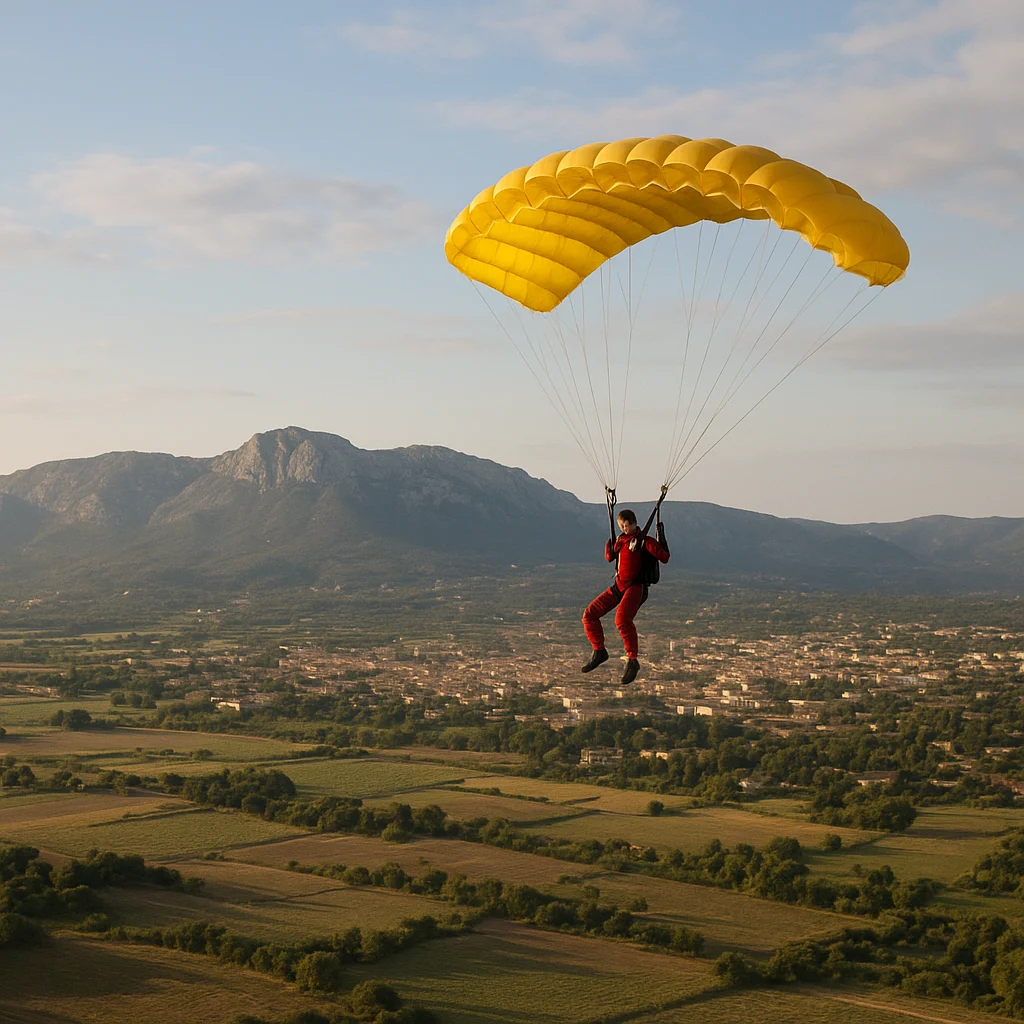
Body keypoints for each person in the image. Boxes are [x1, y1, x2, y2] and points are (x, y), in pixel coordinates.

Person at [581, 506, 669, 685]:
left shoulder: (645, 540)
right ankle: (599, 651)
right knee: (589, 615)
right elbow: (609, 557)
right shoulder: (621, 540)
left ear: (634, 523)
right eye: (621, 526)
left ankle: (632, 660)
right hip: (619, 585)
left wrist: (658, 542)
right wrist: (610, 542)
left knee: (621, 620)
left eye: (626, 526)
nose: (624, 529)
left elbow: (664, 557)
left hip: (636, 587)